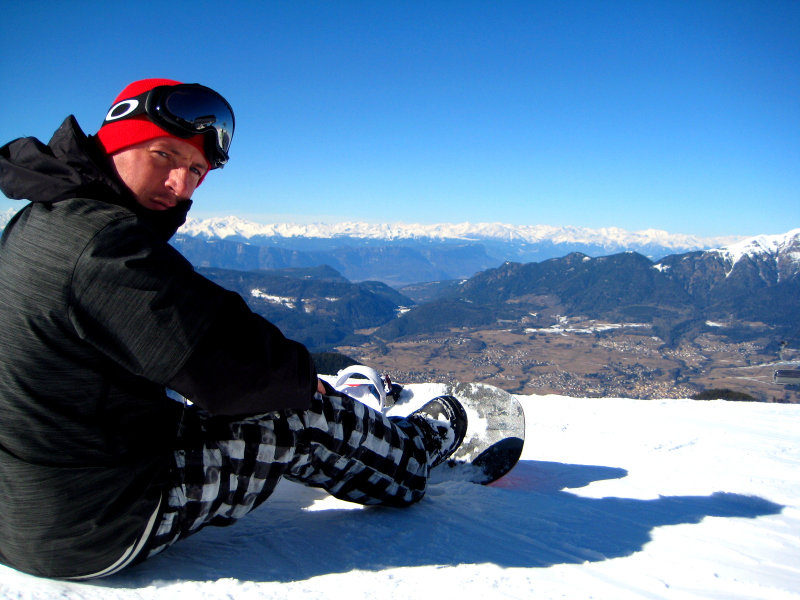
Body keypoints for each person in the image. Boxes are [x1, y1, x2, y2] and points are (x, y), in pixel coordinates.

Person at [0, 78, 467, 580]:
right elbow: (231, 365)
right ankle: (411, 457)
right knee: (299, 415)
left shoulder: (45, 216)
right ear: (115, 141)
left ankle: (369, 445)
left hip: (32, 499)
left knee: (228, 407)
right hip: (95, 521)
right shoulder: (102, 245)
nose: (181, 186)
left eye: (196, 171)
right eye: (164, 155)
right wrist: (301, 379)